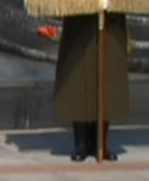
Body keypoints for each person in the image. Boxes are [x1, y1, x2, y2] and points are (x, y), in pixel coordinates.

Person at [54, 13, 128, 161]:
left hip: (110, 7)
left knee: (109, 72)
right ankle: (81, 143)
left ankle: (99, 142)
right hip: (80, 6)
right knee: (78, 74)